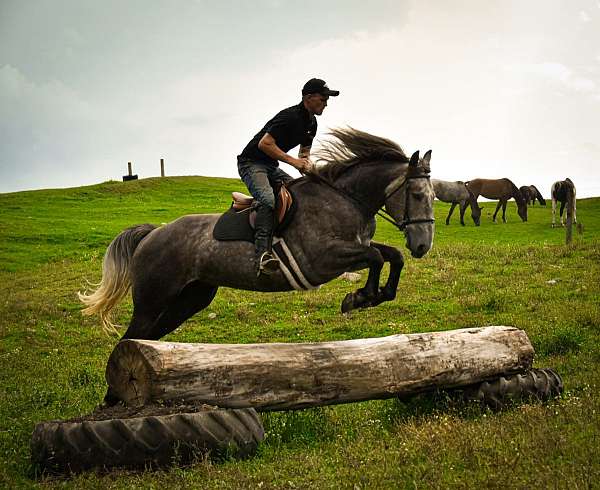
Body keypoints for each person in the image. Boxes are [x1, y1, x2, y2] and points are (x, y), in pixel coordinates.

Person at [237, 78, 340, 276]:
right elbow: (265, 144)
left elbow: (304, 155)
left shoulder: (312, 124)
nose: (326, 103)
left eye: (327, 99)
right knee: (268, 199)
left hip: (271, 166)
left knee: (301, 193)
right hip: (251, 163)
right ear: (308, 98)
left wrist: (310, 170)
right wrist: (294, 162)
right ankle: (262, 255)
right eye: (323, 98)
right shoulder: (290, 116)